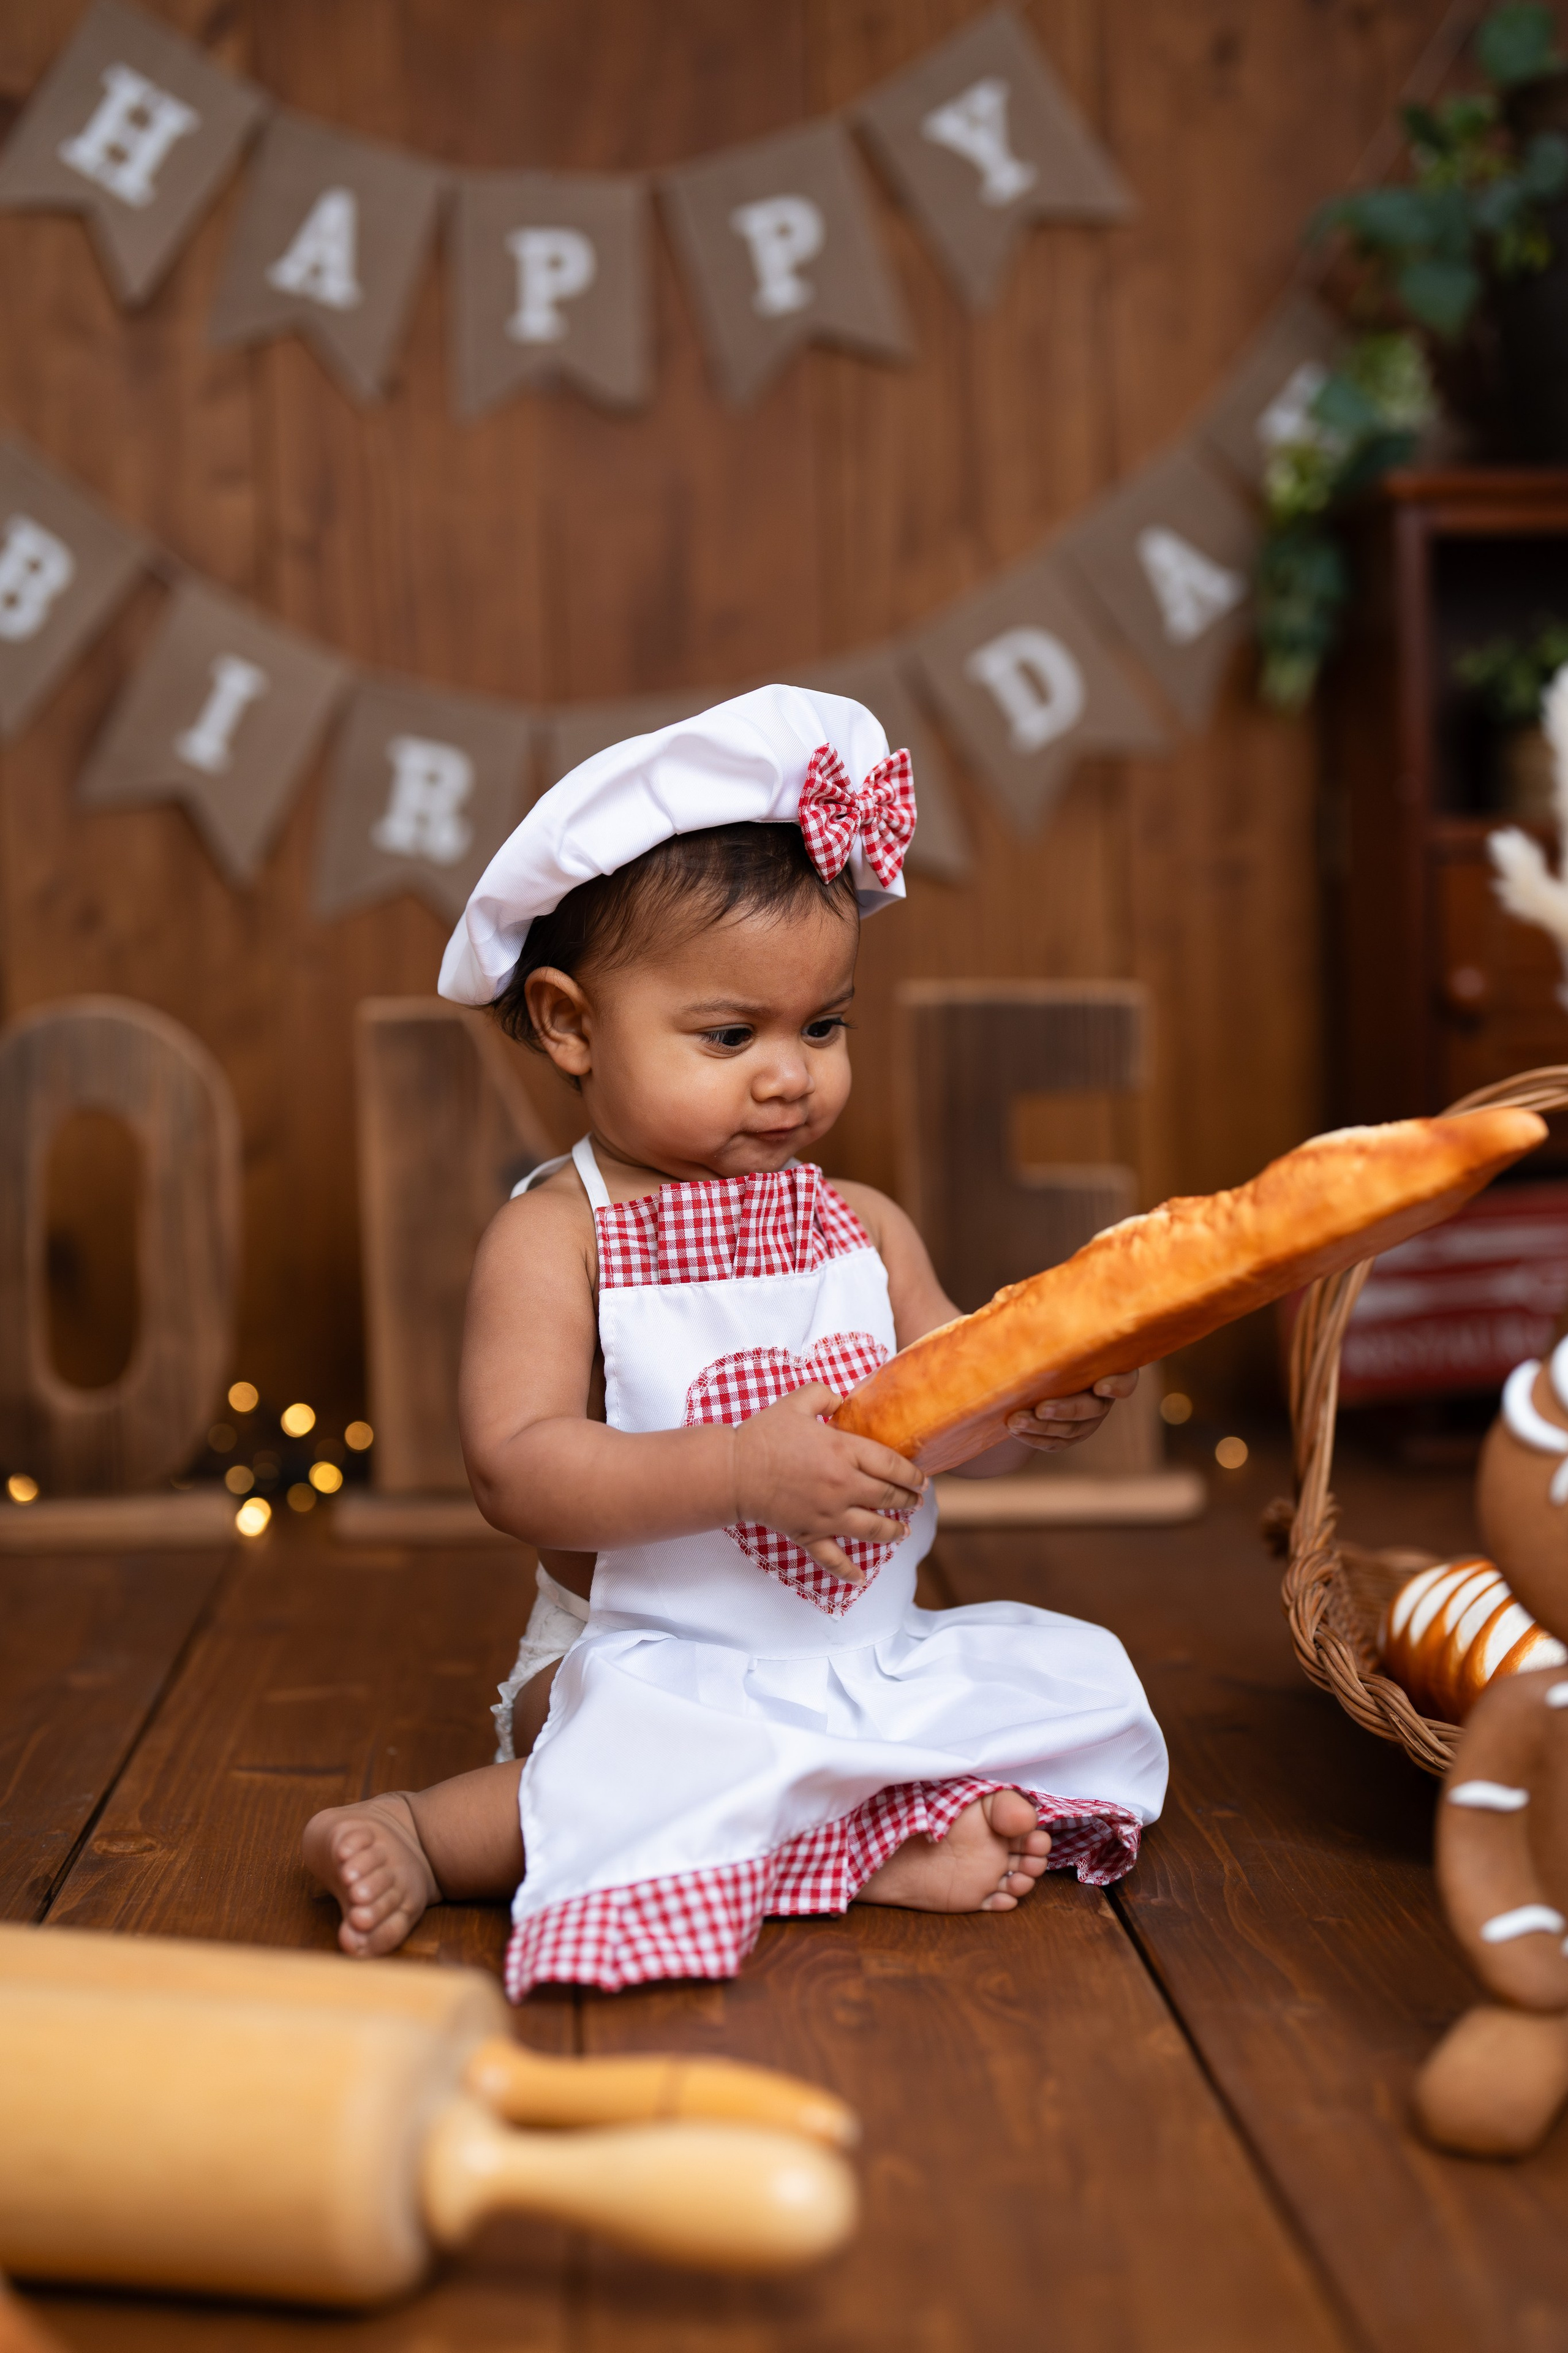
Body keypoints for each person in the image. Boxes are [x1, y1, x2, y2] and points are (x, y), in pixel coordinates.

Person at [302, 685, 1168, 1992]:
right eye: (729, 1035)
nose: (788, 1074)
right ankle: (425, 1831)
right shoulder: (558, 1237)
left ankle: (853, 1840)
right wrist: (736, 1474)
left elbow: (952, 1421)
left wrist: (1026, 1405)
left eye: (822, 1027)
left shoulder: (862, 1228)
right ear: (570, 1024)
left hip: (850, 1653)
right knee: (656, 1757)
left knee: (1074, 1685)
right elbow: (514, 1472)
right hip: (645, 1665)